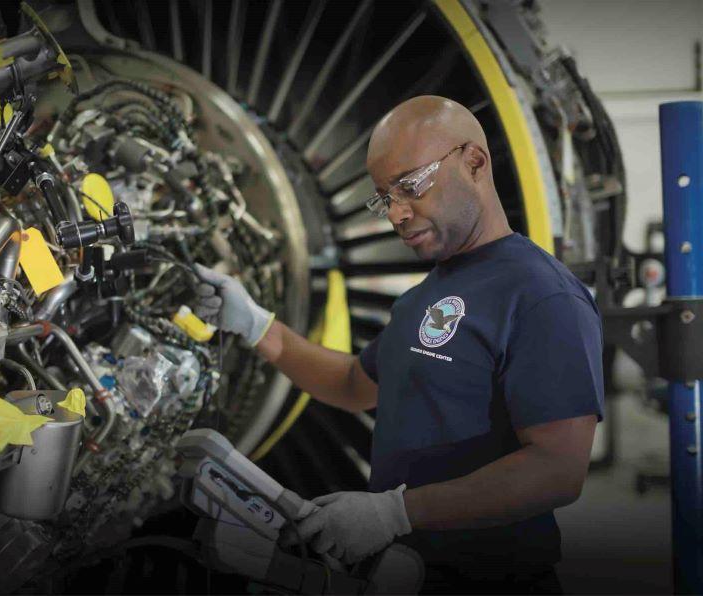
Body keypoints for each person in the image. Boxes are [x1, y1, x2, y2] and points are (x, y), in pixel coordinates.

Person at [193, 96, 603, 594]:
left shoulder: (541, 295)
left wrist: (396, 513)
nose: (396, 213)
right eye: (384, 196)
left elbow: (558, 470)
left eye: (409, 186)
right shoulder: (424, 297)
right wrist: (258, 327)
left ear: (474, 161)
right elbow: (352, 385)